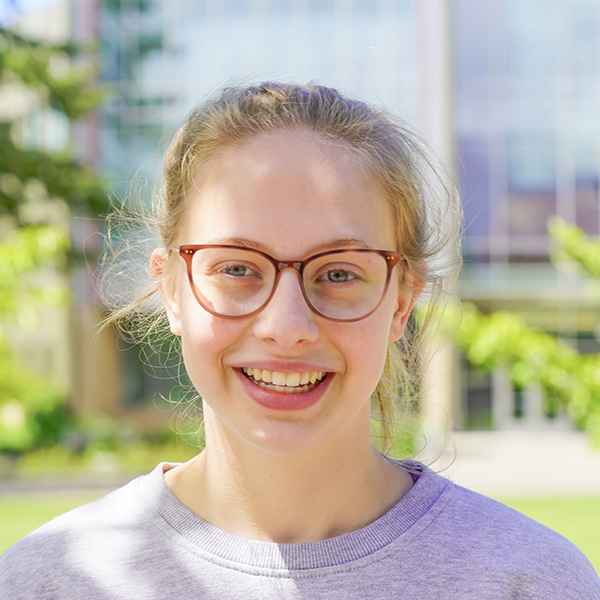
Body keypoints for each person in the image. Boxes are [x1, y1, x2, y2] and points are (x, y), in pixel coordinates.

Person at [1, 82, 598, 599]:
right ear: (172, 289)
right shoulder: (47, 582)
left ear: (402, 302)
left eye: (339, 273)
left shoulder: (530, 582)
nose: (286, 326)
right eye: (236, 268)